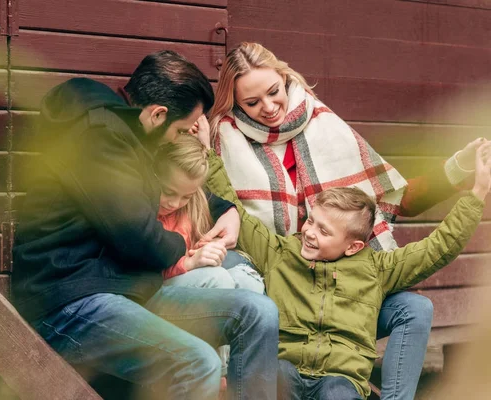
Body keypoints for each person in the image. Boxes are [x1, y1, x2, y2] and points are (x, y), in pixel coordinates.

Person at [204, 41, 483, 400]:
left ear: (286, 80)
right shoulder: (224, 141)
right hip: (283, 288)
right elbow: (230, 212)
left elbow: (396, 201)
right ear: (236, 103)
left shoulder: (325, 126)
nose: (269, 108)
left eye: (274, 93)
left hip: (348, 288)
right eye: (252, 103)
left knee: (414, 307)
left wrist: (461, 173)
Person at [11, 51, 279, 400]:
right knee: (197, 362)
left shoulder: (132, 135)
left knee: (258, 313)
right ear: (157, 114)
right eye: (181, 130)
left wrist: (226, 210)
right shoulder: (100, 137)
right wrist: (186, 246)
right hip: (71, 300)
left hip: (125, 289)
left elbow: (176, 181)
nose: (177, 139)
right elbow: (141, 240)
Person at [155, 133, 265, 294]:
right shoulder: (141, 211)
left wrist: (210, 249)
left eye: (186, 196)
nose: (174, 203)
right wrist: (189, 263)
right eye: (167, 192)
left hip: (188, 273)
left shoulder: (196, 206)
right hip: (156, 287)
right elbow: (142, 268)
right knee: (216, 277)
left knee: (248, 280)